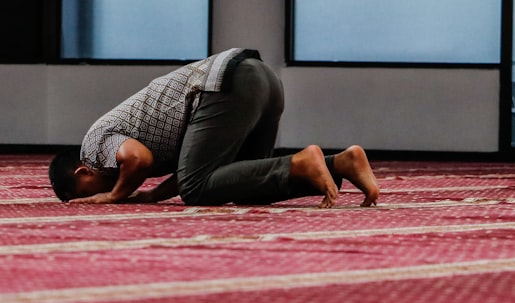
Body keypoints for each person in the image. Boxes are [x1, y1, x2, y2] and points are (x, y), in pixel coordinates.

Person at [49, 48, 379, 208]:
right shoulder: (111, 150)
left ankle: (300, 161)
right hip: (261, 80)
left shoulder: (94, 146)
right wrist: (150, 196)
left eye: (85, 196)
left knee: (196, 190)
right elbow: (193, 168)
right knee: (245, 188)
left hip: (227, 85)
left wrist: (114, 196)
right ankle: (342, 163)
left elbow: (139, 159)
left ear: (83, 173)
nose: (92, 199)